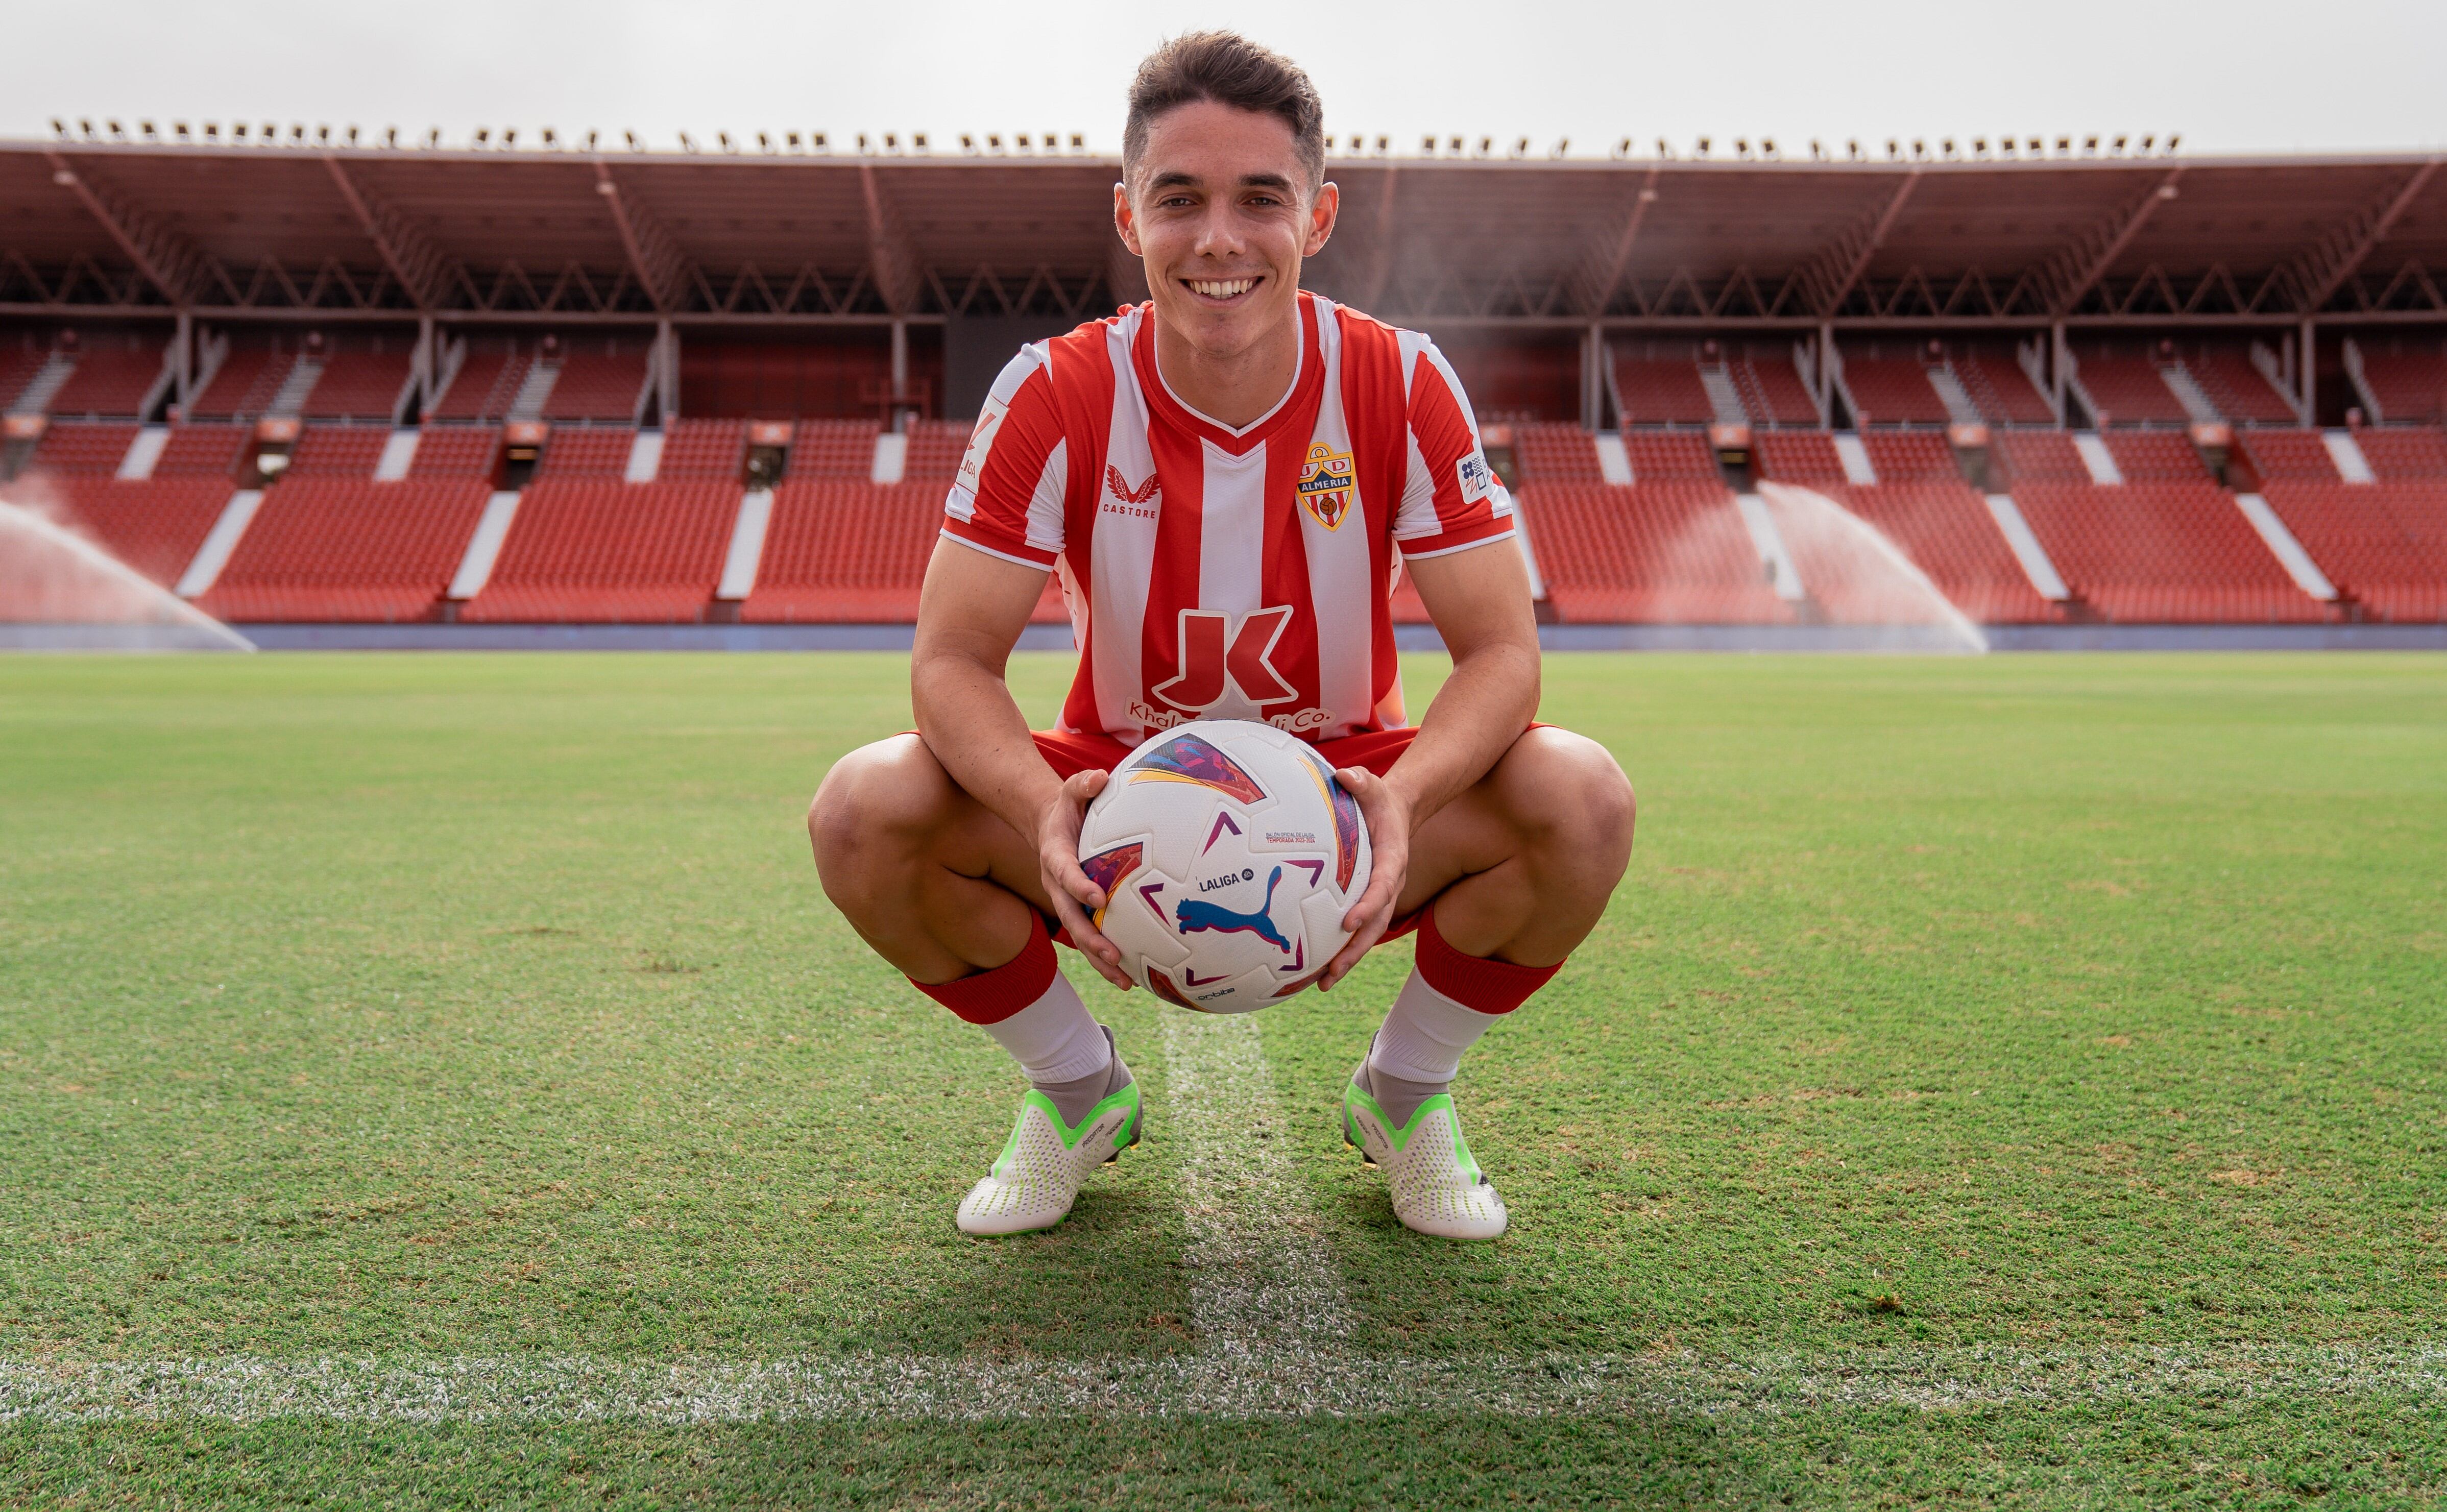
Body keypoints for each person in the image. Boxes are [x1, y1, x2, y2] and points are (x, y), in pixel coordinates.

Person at [811, 31, 1634, 1240]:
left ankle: (1405, 1097)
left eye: (1262, 199)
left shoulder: (1400, 383)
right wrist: (1044, 809)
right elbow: (951, 661)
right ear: (1127, 216)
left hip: (1348, 799)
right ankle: (1078, 1089)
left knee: (1583, 794)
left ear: (1320, 214)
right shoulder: (1053, 390)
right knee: (862, 810)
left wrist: (1403, 799)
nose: (1219, 240)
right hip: (1111, 807)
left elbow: (1503, 652)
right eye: (1178, 199)